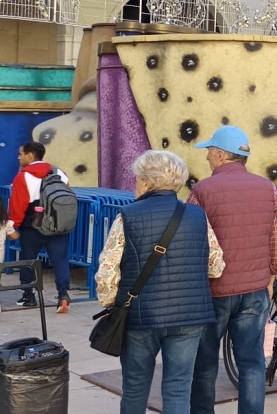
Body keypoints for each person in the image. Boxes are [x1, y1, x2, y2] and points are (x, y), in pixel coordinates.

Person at [95, 150, 224, 414]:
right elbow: (216, 266)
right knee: (178, 388)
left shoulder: (127, 216)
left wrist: (111, 302)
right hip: (189, 315)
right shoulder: (197, 216)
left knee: (135, 386)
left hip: (141, 317)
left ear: (146, 181)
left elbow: (107, 271)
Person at [189, 126, 277, 414]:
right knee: (252, 364)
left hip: (213, 292)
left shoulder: (202, 190)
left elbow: (191, 241)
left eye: (209, 152)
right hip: (255, 291)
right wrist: (271, 278)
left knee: (205, 363)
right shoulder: (266, 187)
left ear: (221, 155)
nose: (207, 157)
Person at [8, 141, 72, 312]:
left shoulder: (23, 176)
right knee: (60, 260)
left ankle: (28, 296)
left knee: (28, 260)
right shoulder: (60, 173)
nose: (18, 157)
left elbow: (18, 205)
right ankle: (63, 295)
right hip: (57, 225)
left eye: (20, 154)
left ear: (30, 155)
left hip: (32, 226)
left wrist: (13, 226)